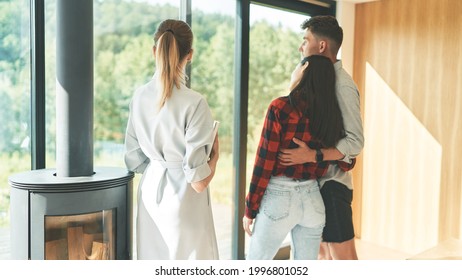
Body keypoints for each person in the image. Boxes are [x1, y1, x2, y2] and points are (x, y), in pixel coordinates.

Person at [243, 55, 355, 260]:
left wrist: (250, 210)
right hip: (312, 200)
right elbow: (347, 161)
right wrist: (315, 155)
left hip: (279, 198)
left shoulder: (281, 108)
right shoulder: (332, 115)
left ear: (304, 69)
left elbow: (264, 163)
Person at [124, 19, 219, 260]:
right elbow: (198, 181)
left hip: (150, 197)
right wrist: (215, 156)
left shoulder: (139, 97)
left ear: (154, 51)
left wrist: (160, 166)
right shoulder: (195, 103)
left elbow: (134, 159)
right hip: (184, 202)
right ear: (190, 55)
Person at [278, 16, 364, 260]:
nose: (301, 47)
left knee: (343, 259)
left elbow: (355, 141)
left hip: (332, 187)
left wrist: (313, 155)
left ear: (322, 46)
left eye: (305, 40)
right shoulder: (313, 79)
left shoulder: (343, 86)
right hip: (311, 186)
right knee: (320, 256)